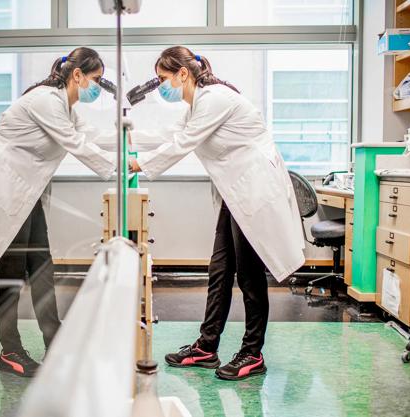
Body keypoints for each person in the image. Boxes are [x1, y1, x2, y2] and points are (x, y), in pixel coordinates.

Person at [129, 46, 305, 381]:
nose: (161, 87)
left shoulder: (214, 99)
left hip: (253, 191)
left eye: (163, 79)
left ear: (184, 73)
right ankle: (207, 346)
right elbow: (169, 135)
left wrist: (140, 163)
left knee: (249, 275)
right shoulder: (198, 103)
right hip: (236, 191)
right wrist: (123, 138)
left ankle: (252, 353)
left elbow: (183, 143)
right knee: (220, 270)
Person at [0, 47, 116, 377]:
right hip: (5, 195)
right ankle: (10, 351)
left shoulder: (64, 105)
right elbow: (76, 143)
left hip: (26, 195)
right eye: (96, 80)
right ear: (77, 75)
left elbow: (93, 136)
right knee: (12, 275)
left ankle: (54, 338)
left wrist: (135, 141)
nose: (97, 88)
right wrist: (116, 166)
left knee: (43, 267)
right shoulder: (46, 100)